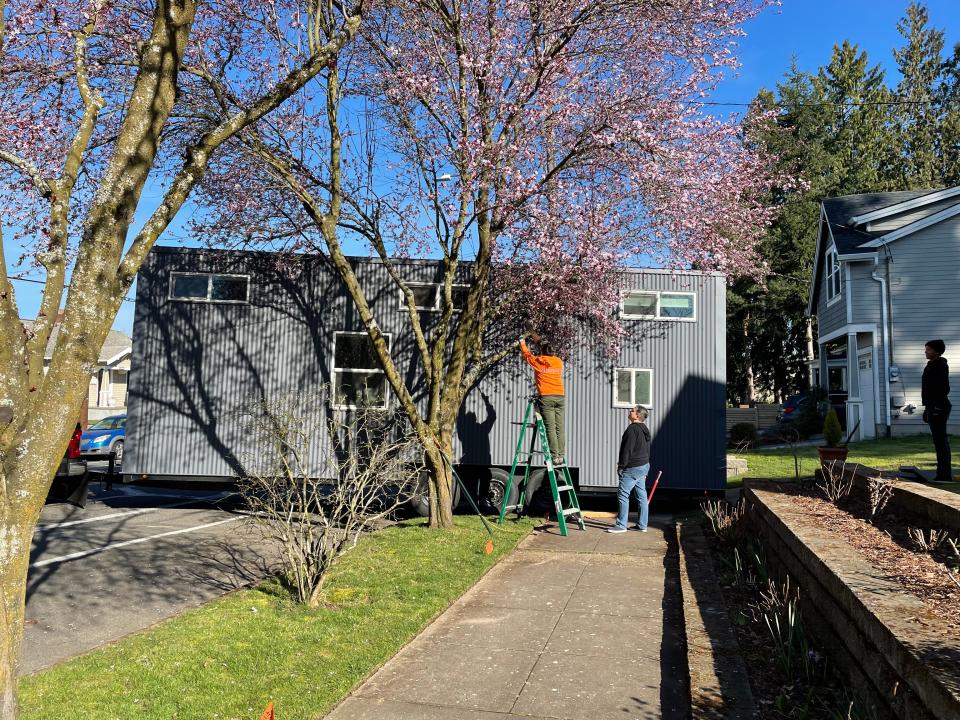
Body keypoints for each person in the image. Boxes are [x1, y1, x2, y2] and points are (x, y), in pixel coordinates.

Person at [519, 334, 565, 466]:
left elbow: (527, 355)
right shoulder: (558, 361)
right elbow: (545, 348)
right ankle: (561, 455)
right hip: (560, 396)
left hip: (547, 397)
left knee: (550, 427)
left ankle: (554, 456)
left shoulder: (538, 361)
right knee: (559, 427)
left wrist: (522, 342)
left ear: (541, 351)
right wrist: (538, 339)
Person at [608, 405, 651, 533]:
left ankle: (621, 525)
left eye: (632, 410)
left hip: (633, 467)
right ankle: (642, 525)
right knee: (641, 496)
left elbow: (627, 450)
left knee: (622, 494)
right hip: (643, 465)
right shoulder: (644, 429)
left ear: (637, 415)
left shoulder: (632, 430)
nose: (629, 411)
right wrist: (646, 468)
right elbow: (647, 449)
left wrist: (621, 466)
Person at [922, 338, 952, 483]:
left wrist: (937, 407)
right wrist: (927, 408)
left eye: (928, 349)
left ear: (937, 351)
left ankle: (944, 475)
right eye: (926, 349)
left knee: (941, 441)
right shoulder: (930, 365)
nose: (925, 351)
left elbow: (943, 388)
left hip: (939, 407)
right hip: (931, 407)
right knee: (937, 441)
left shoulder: (940, 365)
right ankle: (942, 473)